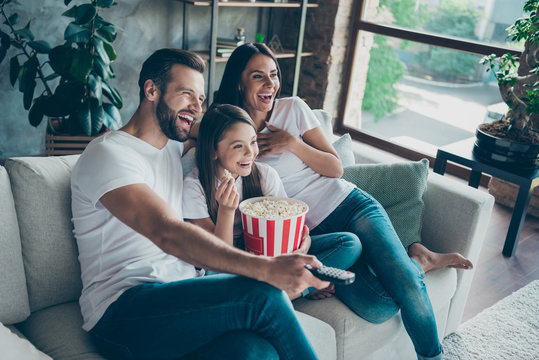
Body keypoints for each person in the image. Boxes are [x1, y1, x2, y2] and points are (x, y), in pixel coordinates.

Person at [212, 42, 474, 360]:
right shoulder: (227, 129)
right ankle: (418, 261)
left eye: (274, 74)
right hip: (317, 233)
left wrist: (292, 143)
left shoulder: (292, 109)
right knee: (378, 306)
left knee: (404, 283)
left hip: (350, 206)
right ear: (238, 82)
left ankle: (433, 354)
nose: (270, 84)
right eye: (258, 76)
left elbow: (335, 168)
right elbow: (194, 137)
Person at [70, 48, 331, 360]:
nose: (197, 107)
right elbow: (165, 231)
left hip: (179, 296)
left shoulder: (171, 143)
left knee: (256, 351)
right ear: (151, 90)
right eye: (187, 94)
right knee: (262, 297)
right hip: (123, 311)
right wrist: (266, 268)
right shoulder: (109, 154)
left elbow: (221, 126)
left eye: (202, 98)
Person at [182, 103, 362, 299]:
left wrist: (303, 244)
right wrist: (226, 210)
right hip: (229, 262)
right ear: (213, 151)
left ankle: (286, 290)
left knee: (349, 244)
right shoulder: (194, 186)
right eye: (238, 146)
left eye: (252, 142)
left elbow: (289, 228)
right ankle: (295, 291)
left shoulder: (265, 175)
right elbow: (217, 258)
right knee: (210, 277)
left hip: (269, 253)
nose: (250, 152)